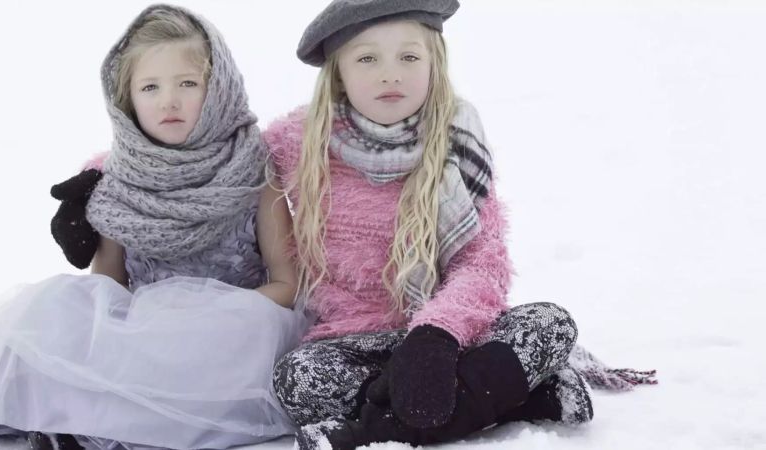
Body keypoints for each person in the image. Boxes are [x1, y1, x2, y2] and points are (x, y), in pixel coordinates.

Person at [0, 5, 308, 449]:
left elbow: (287, 282)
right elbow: (106, 288)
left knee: (249, 327)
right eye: (150, 87)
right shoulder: (117, 182)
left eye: (188, 84)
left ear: (220, 91)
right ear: (126, 99)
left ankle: (124, 427)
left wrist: (217, 314)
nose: (168, 101)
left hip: (230, 337)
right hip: (152, 335)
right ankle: (68, 418)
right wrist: (143, 326)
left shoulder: (254, 172)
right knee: (60, 302)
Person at [261, 1, 655, 448]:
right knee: (299, 380)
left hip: (452, 333)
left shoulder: (457, 139)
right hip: (355, 339)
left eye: (408, 57)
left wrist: (435, 337)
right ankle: (524, 398)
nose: (390, 74)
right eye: (367, 58)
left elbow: (482, 263)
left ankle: (370, 431)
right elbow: (221, 161)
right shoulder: (297, 142)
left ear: (434, 63)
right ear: (338, 73)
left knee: (550, 324)